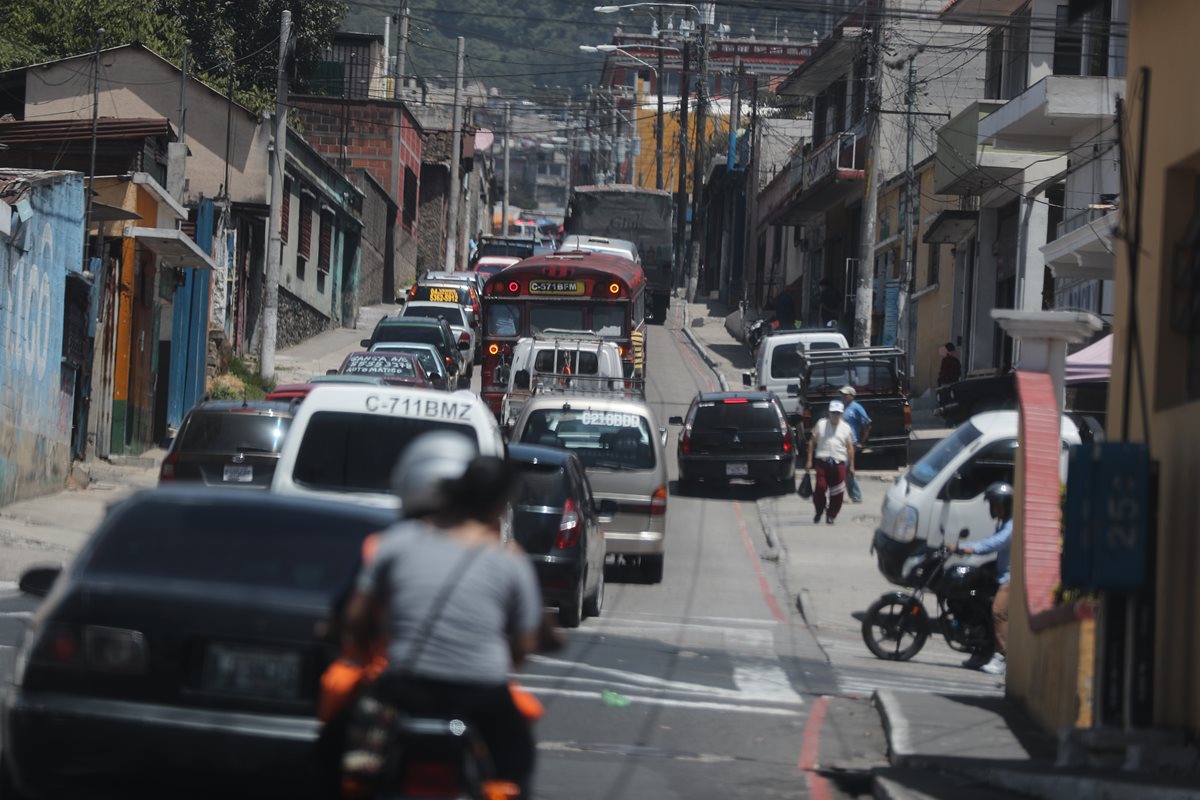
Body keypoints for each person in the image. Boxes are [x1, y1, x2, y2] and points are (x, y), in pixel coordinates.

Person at [340, 431, 544, 793]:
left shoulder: (397, 543)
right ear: (499, 507)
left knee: (336, 750)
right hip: (483, 692)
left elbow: (355, 618)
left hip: (405, 687)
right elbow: (524, 646)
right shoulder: (510, 562)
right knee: (518, 764)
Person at [952, 481, 1013, 676]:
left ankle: (1003, 657)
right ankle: (983, 650)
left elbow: (995, 543)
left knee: (998, 612)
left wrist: (968, 547)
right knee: (975, 596)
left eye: (996, 504)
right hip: (999, 573)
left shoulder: (1012, 525)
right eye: (992, 505)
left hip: (1010, 579)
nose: (994, 509)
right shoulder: (1004, 523)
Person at [805, 399, 856, 524]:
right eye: (833, 413)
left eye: (838, 413)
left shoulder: (846, 428)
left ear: (841, 414)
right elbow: (812, 442)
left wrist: (852, 465)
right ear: (829, 413)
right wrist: (809, 461)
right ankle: (819, 510)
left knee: (838, 491)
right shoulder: (821, 424)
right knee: (820, 487)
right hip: (822, 461)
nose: (835, 416)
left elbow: (850, 448)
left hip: (839, 463)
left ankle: (831, 515)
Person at [839, 386, 871, 503]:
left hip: (851, 443)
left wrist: (861, 442)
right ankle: (852, 495)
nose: (843, 396)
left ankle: (855, 495)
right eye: (842, 394)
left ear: (852, 396)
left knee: (846, 468)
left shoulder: (856, 408)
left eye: (845, 394)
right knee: (843, 469)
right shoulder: (840, 407)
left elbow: (867, 424)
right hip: (840, 442)